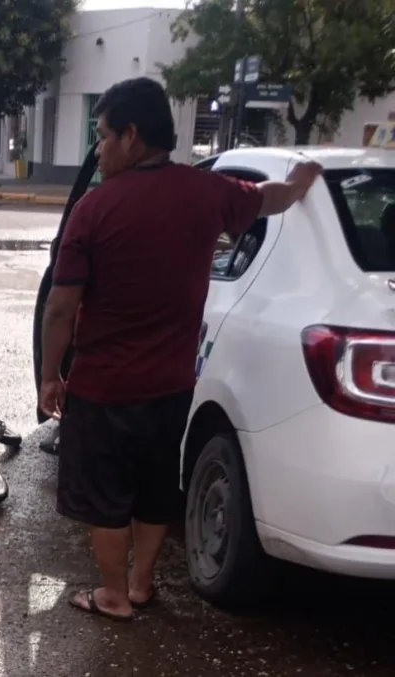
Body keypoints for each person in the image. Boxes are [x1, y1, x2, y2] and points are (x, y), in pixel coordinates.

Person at [37, 77, 322, 622]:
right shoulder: (208, 193)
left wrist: (51, 375)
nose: (98, 150)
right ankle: (141, 586)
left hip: (103, 388)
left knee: (106, 499)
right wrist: (304, 180)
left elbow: (58, 308)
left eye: (101, 136)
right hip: (171, 387)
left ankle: (113, 596)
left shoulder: (93, 211)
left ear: (131, 135)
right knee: (153, 491)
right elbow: (270, 199)